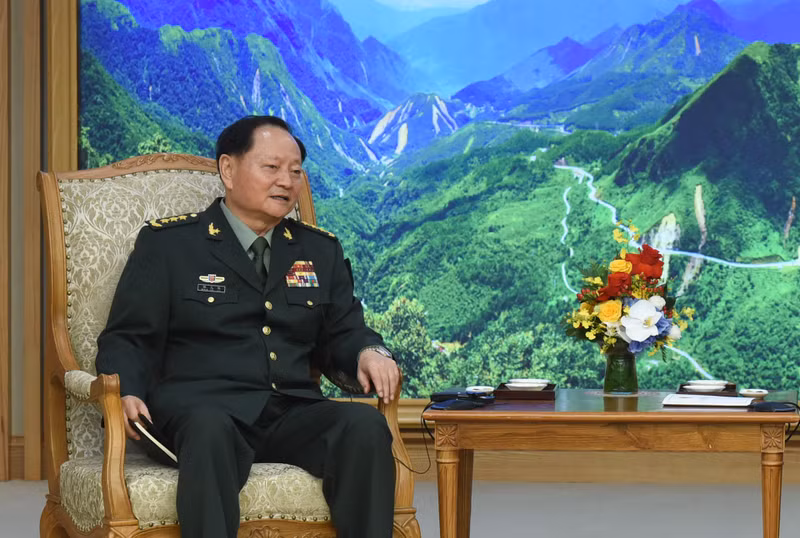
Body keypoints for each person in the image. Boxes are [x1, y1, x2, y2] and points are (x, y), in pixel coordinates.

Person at [95, 115, 400, 538]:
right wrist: (126, 387)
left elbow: (344, 331)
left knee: (364, 426)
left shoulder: (318, 250)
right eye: (271, 168)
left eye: (295, 171)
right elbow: (128, 335)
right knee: (208, 428)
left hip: (290, 411)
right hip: (204, 411)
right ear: (228, 170)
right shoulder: (170, 245)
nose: (287, 182)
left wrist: (371, 352)